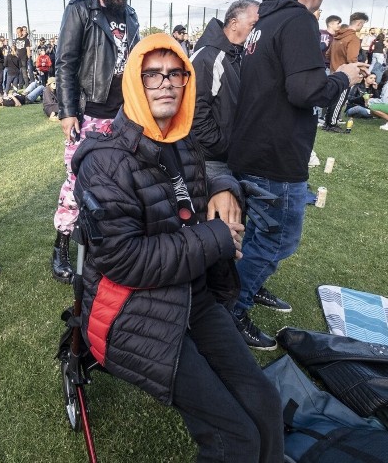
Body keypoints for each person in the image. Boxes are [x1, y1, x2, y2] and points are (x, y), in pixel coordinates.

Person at [73, 33, 283, 462]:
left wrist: (226, 189)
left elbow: (201, 181)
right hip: (132, 310)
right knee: (235, 438)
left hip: (192, 294)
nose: (166, 83)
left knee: (265, 403)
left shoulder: (183, 141)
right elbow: (124, 261)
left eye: (176, 73)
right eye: (153, 74)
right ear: (134, 82)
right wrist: (217, 239)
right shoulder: (103, 162)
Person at [228, 0, 366, 349]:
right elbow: (305, 91)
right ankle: (232, 309)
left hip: (252, 148)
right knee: (276, 241)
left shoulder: (262, 23)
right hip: (275, 156)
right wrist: (342, 77)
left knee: (255, 236)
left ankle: (245, 290)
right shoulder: (299, 21)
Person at [51, 0, 138, 283]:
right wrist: (67, 111)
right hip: (87, 114)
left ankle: (105, 248)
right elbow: (66, 62)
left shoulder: (130, 15)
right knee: (76, 183)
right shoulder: (80, 10)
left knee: (115, 182)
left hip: (121, 116)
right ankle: (61, 247)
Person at [190, 0, 259, 176]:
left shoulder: (239, 54)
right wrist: (222, 145)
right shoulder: (209, 57)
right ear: (234, 23)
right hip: (211, 160)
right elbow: (195, 114)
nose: (258, 30)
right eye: (254, 24)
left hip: (230, 156)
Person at [324, 11, 369, 132]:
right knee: (340, 99)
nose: (362, 27)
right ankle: (332, 124)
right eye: (363, 24)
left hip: (333, 71)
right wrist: (363, 71)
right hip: (345, 74)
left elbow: (327, 54)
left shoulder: (337, 36)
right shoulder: (353, 38)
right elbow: (352, 59)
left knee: (333, 98)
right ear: (359, 23)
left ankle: (327, 122)